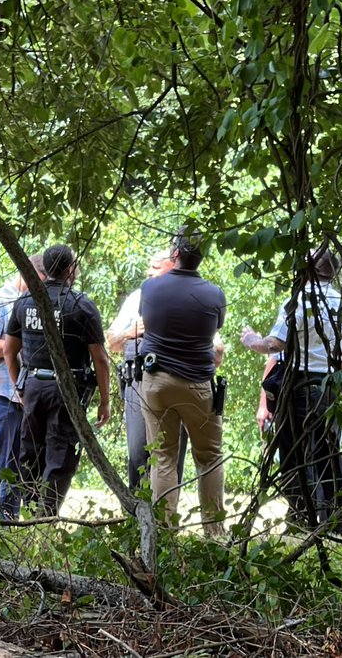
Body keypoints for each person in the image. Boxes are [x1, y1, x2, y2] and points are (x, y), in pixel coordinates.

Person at [240, 244, 342, 535]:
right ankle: (338, 522)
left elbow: (275, 345)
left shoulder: (298, 302)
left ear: (309, 270)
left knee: (296, 453)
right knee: (328, 451)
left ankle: (303, 519)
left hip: (299, 385)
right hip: (332, 388)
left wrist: (251, 340)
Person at [4, 245, 112, 517]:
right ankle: (45, 517)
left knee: (30, 452)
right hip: (67, 391)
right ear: (68, 270)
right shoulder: (81, 305)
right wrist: (105, 401)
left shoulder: (25, 302)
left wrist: (19, 385)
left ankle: (28, 515)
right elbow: (100, 359)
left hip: (33, 388)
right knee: (60, 454)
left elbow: (9, 350)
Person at [139, 229, 227, 537]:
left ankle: (163, 533)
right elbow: (214, 330)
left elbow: (147, 323)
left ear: (175, 253)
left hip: (156, 381)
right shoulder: (214, 294)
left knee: (162, 457)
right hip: (197, 385)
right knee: (210, 457)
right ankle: (215, 534)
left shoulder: (150, 288)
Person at [106, 250, 191, 491]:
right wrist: (129, 333)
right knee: (137, 450)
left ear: (172, 267)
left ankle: (166, 517)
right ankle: (139, 517)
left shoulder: (189, 297)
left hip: (177, 382)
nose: (149, 273)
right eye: (149, 267)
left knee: (172, 451)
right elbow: (111, 342)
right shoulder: (137, 298)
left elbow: (215, 350)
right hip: (138, 381)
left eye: (155, 267)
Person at [0, 254, 45, 520]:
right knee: (0, 463)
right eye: (41, 280)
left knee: (19, 466)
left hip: (25, 398)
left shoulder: (36, 304)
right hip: (2, 396)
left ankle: (10, 520)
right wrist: (18, 349)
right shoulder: (0, 301)